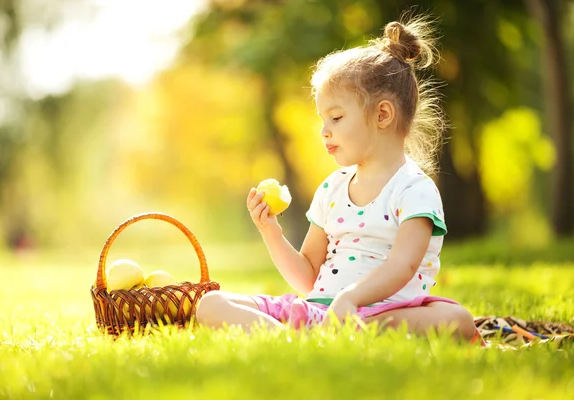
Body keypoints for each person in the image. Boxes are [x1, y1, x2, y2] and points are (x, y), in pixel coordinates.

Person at [195, 15, 479, 342]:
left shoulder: (414, 190)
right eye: (322, 119)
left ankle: (316, 338)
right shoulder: (332, 188)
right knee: (210, 303)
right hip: (318, 313)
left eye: (337, 117)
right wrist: (271, 232)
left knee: (455, 319)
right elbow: (308, 280)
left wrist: (351, 299)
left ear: (382, 115)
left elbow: (402, 266)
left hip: (381, 313)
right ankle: (299, 341)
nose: (324, 130)